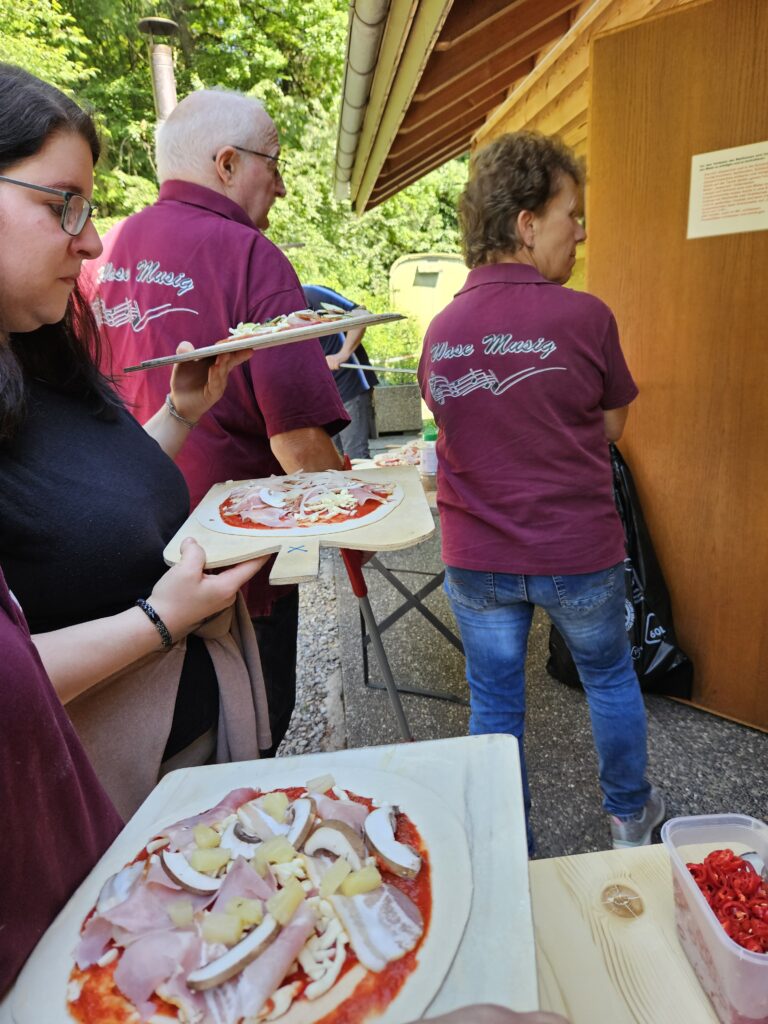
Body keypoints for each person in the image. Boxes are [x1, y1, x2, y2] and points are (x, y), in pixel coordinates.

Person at [0, 64, 273, 820]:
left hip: (180, 756)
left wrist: (182, 413)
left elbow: (91, 499)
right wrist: (159, 622)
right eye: (64, 205)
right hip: (88, 796)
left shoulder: (37, 349)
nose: (90, 241)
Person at [417, 131, 664, 850]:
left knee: (495, 701)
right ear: (526, 224)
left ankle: (502, 844)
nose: (580, 231)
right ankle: (628, 820)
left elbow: (454, 424)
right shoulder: (586, 317)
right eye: (571, 214)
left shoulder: (444, 328)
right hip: (577, 553)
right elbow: (612, 424)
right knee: (610, 679)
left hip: (478, 557)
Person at [83, 89, 348, 756]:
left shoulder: (101, 253)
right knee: (253, 727)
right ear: (227, 163)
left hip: (124, 543)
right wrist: (361, 522)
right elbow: (297, 442)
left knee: (154, 741)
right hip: (232, 554)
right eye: (274, 163)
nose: (282, 187)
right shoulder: (253, 256)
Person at [302, 283, 378, 459]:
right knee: (333, 459)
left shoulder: (311, 293)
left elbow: (361, 314)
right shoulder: (275, 312)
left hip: (350, 384)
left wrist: (342, 355)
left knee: (355, 456)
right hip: (322, 395)